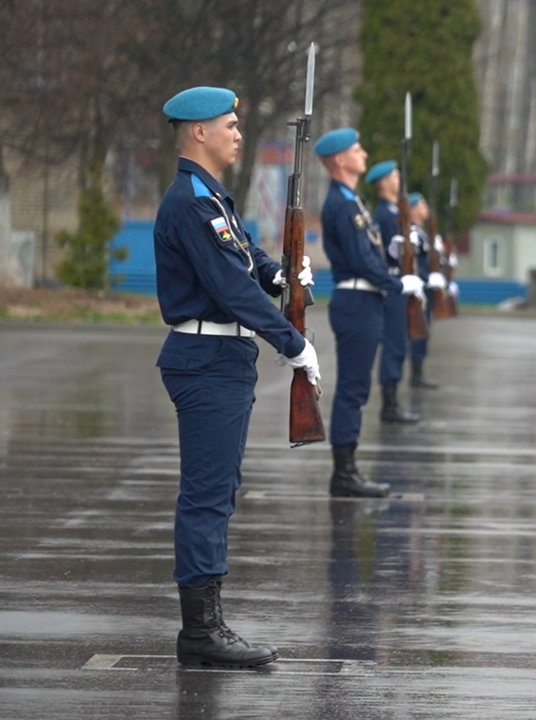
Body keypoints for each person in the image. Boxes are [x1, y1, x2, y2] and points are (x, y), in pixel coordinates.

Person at [155, 86, 319, 666]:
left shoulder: (213, 197)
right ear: (198, 131)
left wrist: (280, 276)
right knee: (206, 498)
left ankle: (209, 623)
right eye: (229, 124)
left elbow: (245, 259)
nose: (238, 133)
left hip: (223, 360)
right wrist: (294, 344)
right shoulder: (191, 203)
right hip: (205, 359)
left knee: (218, 494)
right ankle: (199, 634)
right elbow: (227, 288)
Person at [317, 127, 426, 498]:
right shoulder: (344, 204)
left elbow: (367, 253)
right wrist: (397, 282)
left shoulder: (352, 200)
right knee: (352, 389)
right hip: (357, 301)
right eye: (357, 150)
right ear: (339, 160)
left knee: (357, 388)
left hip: (364, 302)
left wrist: (392, 256)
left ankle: (347, 469)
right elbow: (361, 260)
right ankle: (343, 473)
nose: (363, 154)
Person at [365, 159, 423, 424]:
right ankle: (389, 404)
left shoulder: (393, 212)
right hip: (391, 287)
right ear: (385, 182)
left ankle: (393, 400)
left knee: (399, 344)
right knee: (393, 345)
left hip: (400, 285)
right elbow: (383, 254)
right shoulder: (384, 215)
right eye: (395, 175)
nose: (398, 179)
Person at [405, 195, 448, 389]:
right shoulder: (412, 232)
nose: (426, 207)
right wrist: (426, 277)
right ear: (412, 208)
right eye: (421, 204)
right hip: (418, 289)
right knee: (418, 331)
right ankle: (415, 374)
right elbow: (414, 263)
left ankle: (419, 372)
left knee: (424, 330)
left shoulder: (423, 232)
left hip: (426, 289)